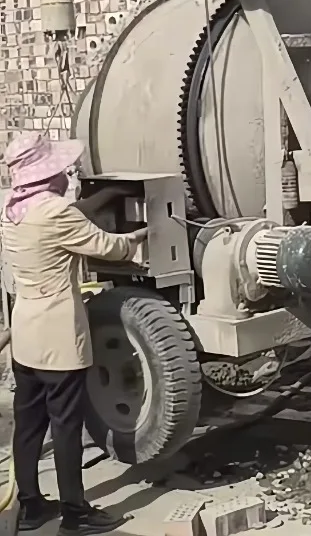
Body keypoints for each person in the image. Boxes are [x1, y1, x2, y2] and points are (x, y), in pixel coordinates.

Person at [0, 133, 147, 536]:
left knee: (29, 423)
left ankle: (31, 505)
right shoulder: (55, 215)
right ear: (48, 175)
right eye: (61, 170)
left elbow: (66, 213)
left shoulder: (13, 210)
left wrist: (103, 196)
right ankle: (75, 513)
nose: (67, 175)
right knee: (66, 426)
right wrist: (139, 237)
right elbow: (107, 246)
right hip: (58, 338)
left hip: (26, 333)